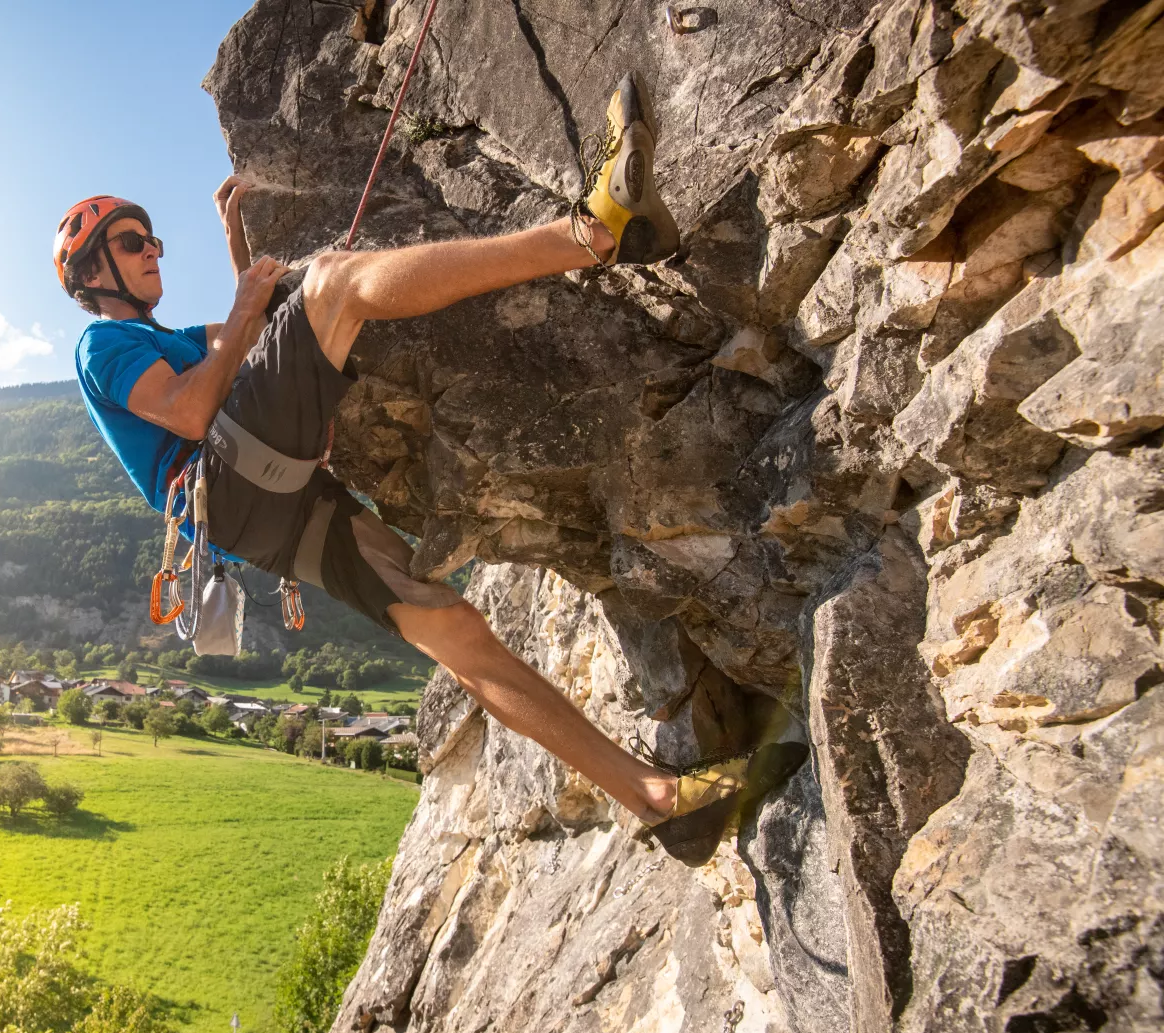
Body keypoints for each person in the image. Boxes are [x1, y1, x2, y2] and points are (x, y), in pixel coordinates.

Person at [53, 76, 802, 862]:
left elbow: (267, 335)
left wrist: (242, 257)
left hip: (267, 514)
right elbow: (192, 410)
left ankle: (654, 800)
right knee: (336, 286)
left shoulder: (164, 335)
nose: (154, 253)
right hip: (235, 483)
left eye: (154, 241)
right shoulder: (103, 346)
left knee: (455, 629)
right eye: (136, 244)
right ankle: (591, 234)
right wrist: (247, 308)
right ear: (95, 272)